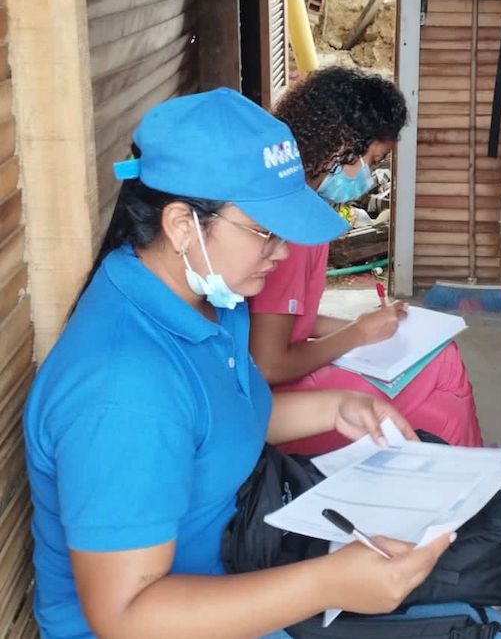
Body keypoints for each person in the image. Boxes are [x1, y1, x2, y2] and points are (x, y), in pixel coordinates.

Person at [23, 88, 455, 639]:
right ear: (182, 226)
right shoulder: (123, 391)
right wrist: (327, 584)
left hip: (230, 564)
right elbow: (126, 616)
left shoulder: (209, 298)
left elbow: (217, 420)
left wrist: (338, 406)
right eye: (265, 233)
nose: (280, 254)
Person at [248, 68, 501, 511]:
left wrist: (357, 325)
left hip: (271, 383)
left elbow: (285, 322)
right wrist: (355, 336)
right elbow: (268, 362)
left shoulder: (305, 202)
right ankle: (468, 474)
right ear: (338, 148)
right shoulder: (292, 230)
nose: (371, 175)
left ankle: (465, 454)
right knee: (436, 387)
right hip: (270, 406)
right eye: (374, 161)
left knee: (433, 359)